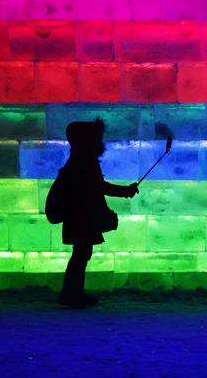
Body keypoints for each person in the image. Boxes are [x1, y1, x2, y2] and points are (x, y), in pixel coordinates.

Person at [56, 118, 139, 308]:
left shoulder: (77, 159)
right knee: (81, 254)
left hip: (77, 215)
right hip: (82, 216)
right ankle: (71, 294)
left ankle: (72, 293)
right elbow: (98, 187)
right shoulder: (85, 160)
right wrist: (125, 191)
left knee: (81, 253)